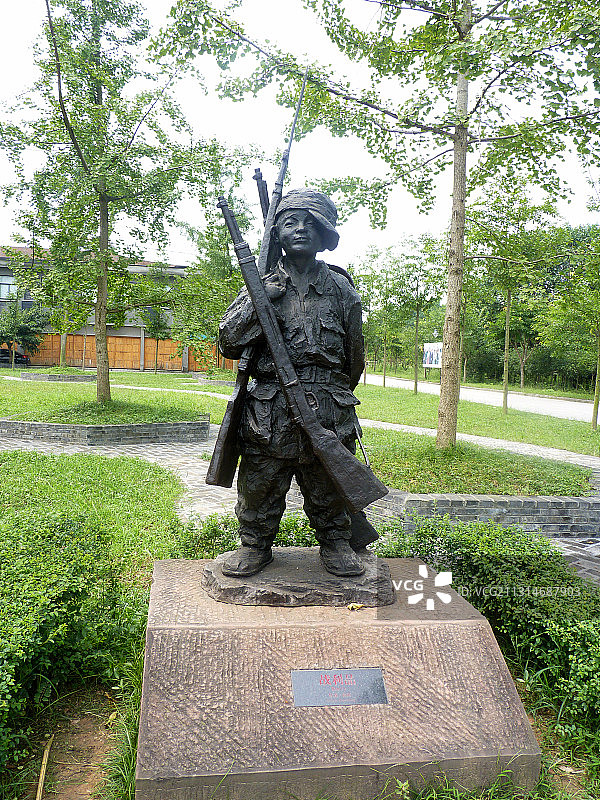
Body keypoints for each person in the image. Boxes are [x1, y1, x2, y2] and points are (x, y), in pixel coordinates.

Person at [218, 189, 368, 579]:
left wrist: (329, 393)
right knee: (261, 482)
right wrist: (260, 302)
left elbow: (354, 358)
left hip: (328, 405)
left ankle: (336, 543)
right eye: (290, 222)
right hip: (270, 410)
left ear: (325, 234)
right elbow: (228, 342)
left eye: (310, 223)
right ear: (278, 233)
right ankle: (255, 545)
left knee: (329, 482)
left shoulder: (341, 288)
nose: (300, 229)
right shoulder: (258, 284)